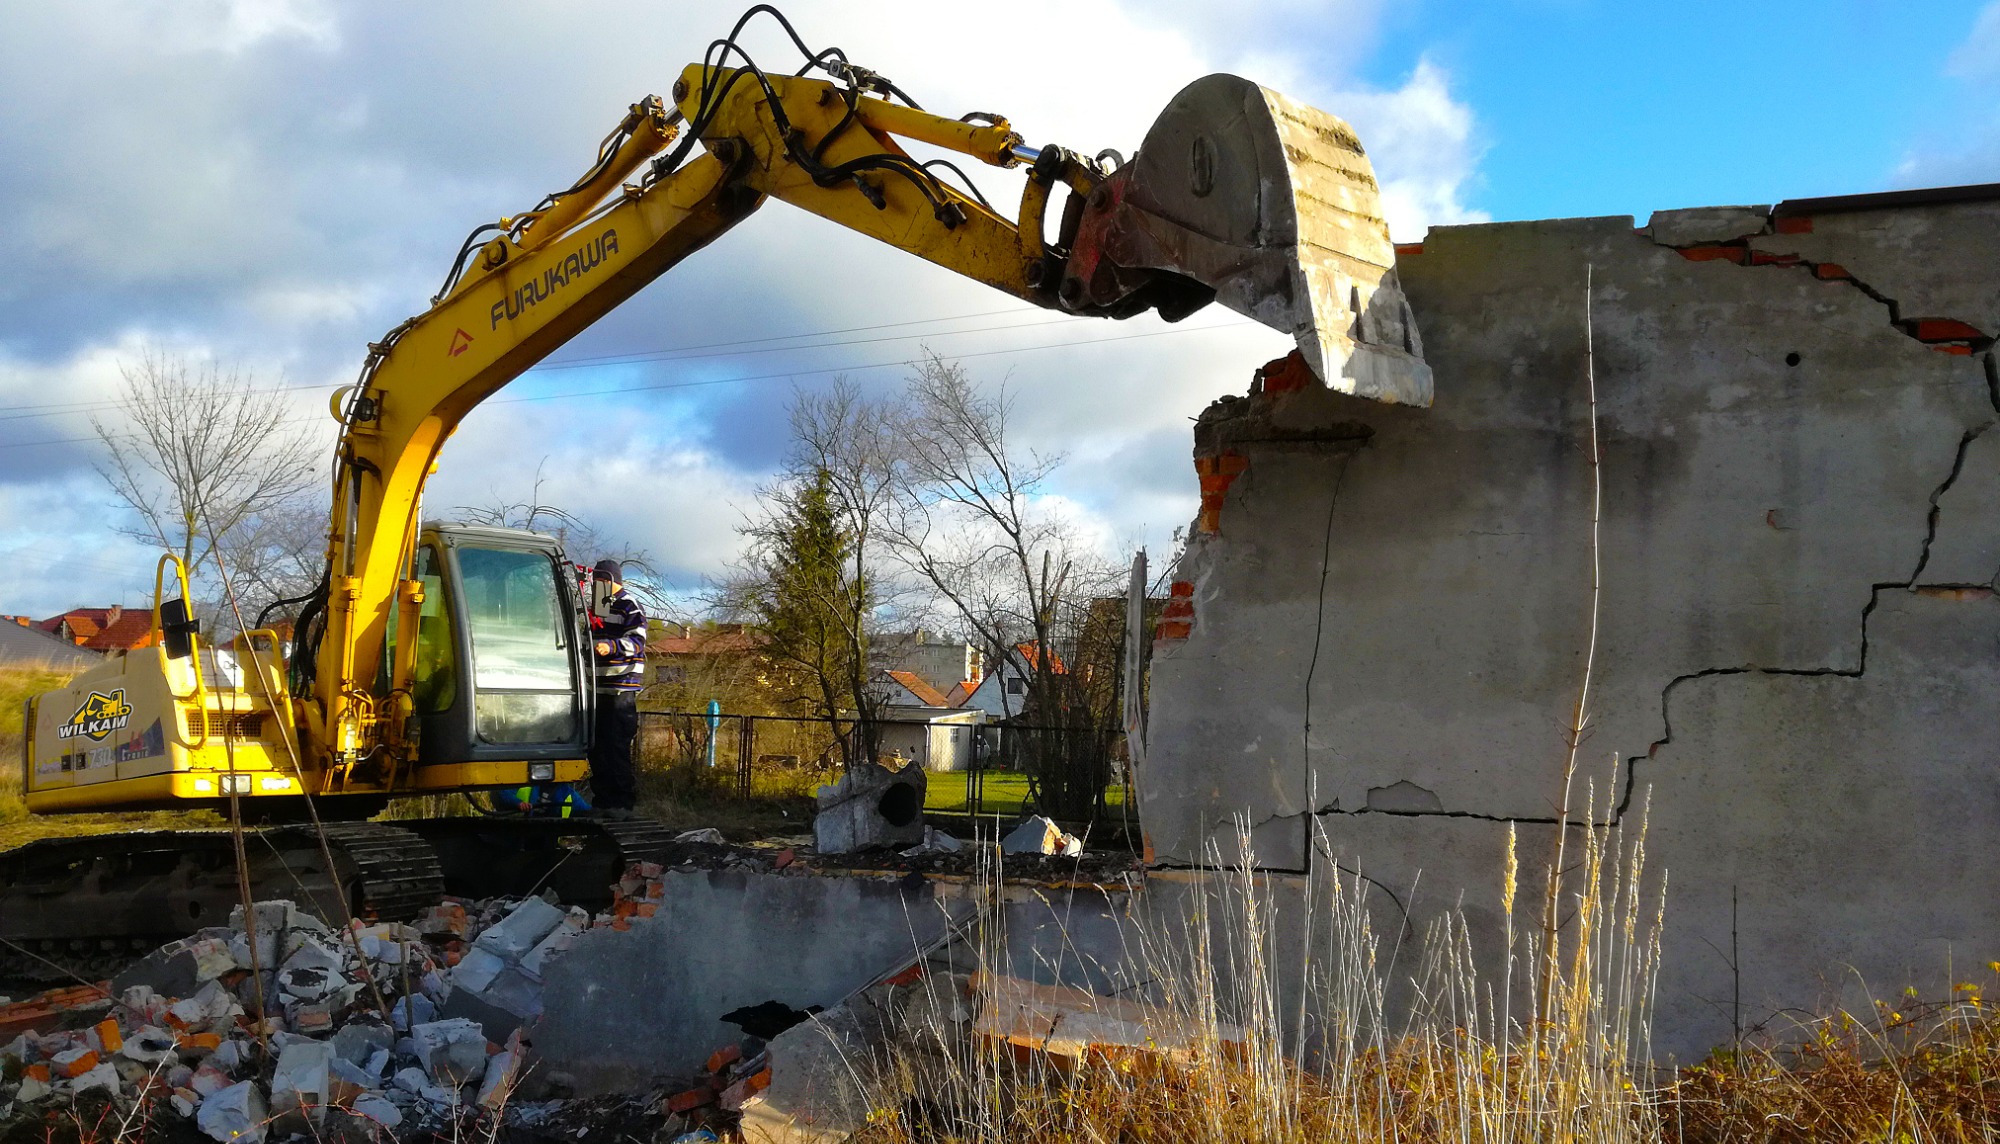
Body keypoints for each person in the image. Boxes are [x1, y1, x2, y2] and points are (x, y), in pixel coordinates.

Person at [587, 558, 646, 814]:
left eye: (601, 580)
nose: (597, 585)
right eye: (595, 581)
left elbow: (637, 641)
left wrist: (611, 646)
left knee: (616, 748)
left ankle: (622, 804)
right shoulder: (596, 608)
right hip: (596, 691)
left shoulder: (628, 605)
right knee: (596, 748)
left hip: (620, 690)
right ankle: (602, 802)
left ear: (612, 581)